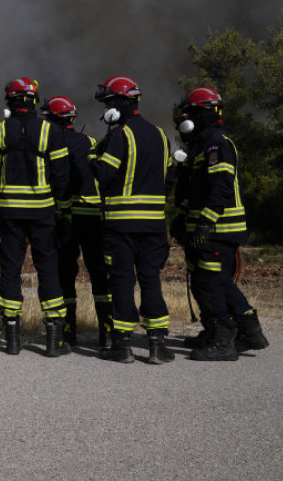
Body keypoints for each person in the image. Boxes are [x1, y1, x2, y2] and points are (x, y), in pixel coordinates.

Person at [0, 78, 72, 356]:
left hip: (9, 213)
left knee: (10, 269)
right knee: (47, 268)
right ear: (34, 101)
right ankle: (54, 339)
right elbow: (62, 175)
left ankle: (12, 338)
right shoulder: (50, 131)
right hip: (43, 212)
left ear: (9, 100)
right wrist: (64, 208)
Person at [172, 87, 270, 361]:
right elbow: (194, 191)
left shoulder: (216, 144)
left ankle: (222, 340)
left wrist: (206, 221)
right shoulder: (201, 147)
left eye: (188, 114)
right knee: (219, 283)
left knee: (208, 284)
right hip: (208, 230)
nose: (184, 121)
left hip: (219, 230)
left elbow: (221, 187)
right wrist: (181, 217)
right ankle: (249, 333)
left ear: (201, 114)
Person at [89, 75, 175, 364]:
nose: (107, 109)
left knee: (123, 281)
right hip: (153, 225)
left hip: (121, 225)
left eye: (110, 102)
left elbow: (104, 174)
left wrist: (92, 159)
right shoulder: (161, 135)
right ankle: (157, 345)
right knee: (151, 279)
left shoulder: (119, 135)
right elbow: (169, 179)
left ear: (123, 103)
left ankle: (122, 346)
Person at [39, 95, 111, 348]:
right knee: (100, 274)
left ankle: (67, 333)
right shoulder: (90, 141)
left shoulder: (49, 143)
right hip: (93, 217)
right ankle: (107, 332)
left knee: (64, 276)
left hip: (65, 218)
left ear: (54, 120)